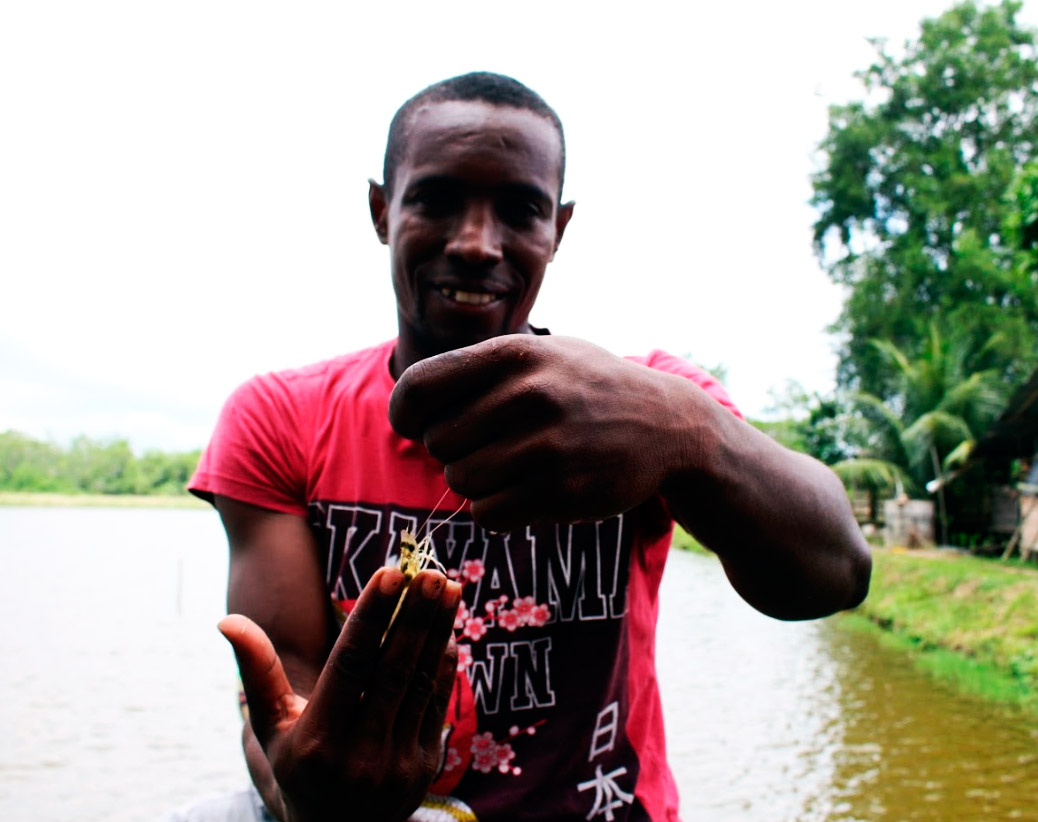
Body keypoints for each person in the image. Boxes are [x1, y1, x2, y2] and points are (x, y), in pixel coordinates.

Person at [181, 71, 871, 822]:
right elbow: (287, 691)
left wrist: (688, 434)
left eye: (520, 210)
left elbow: (832, 575)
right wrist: (311, 794)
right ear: (382, 210)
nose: (476, 244)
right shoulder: (278, 415)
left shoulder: (647, 404)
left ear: (559, 230)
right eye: (435, 199)